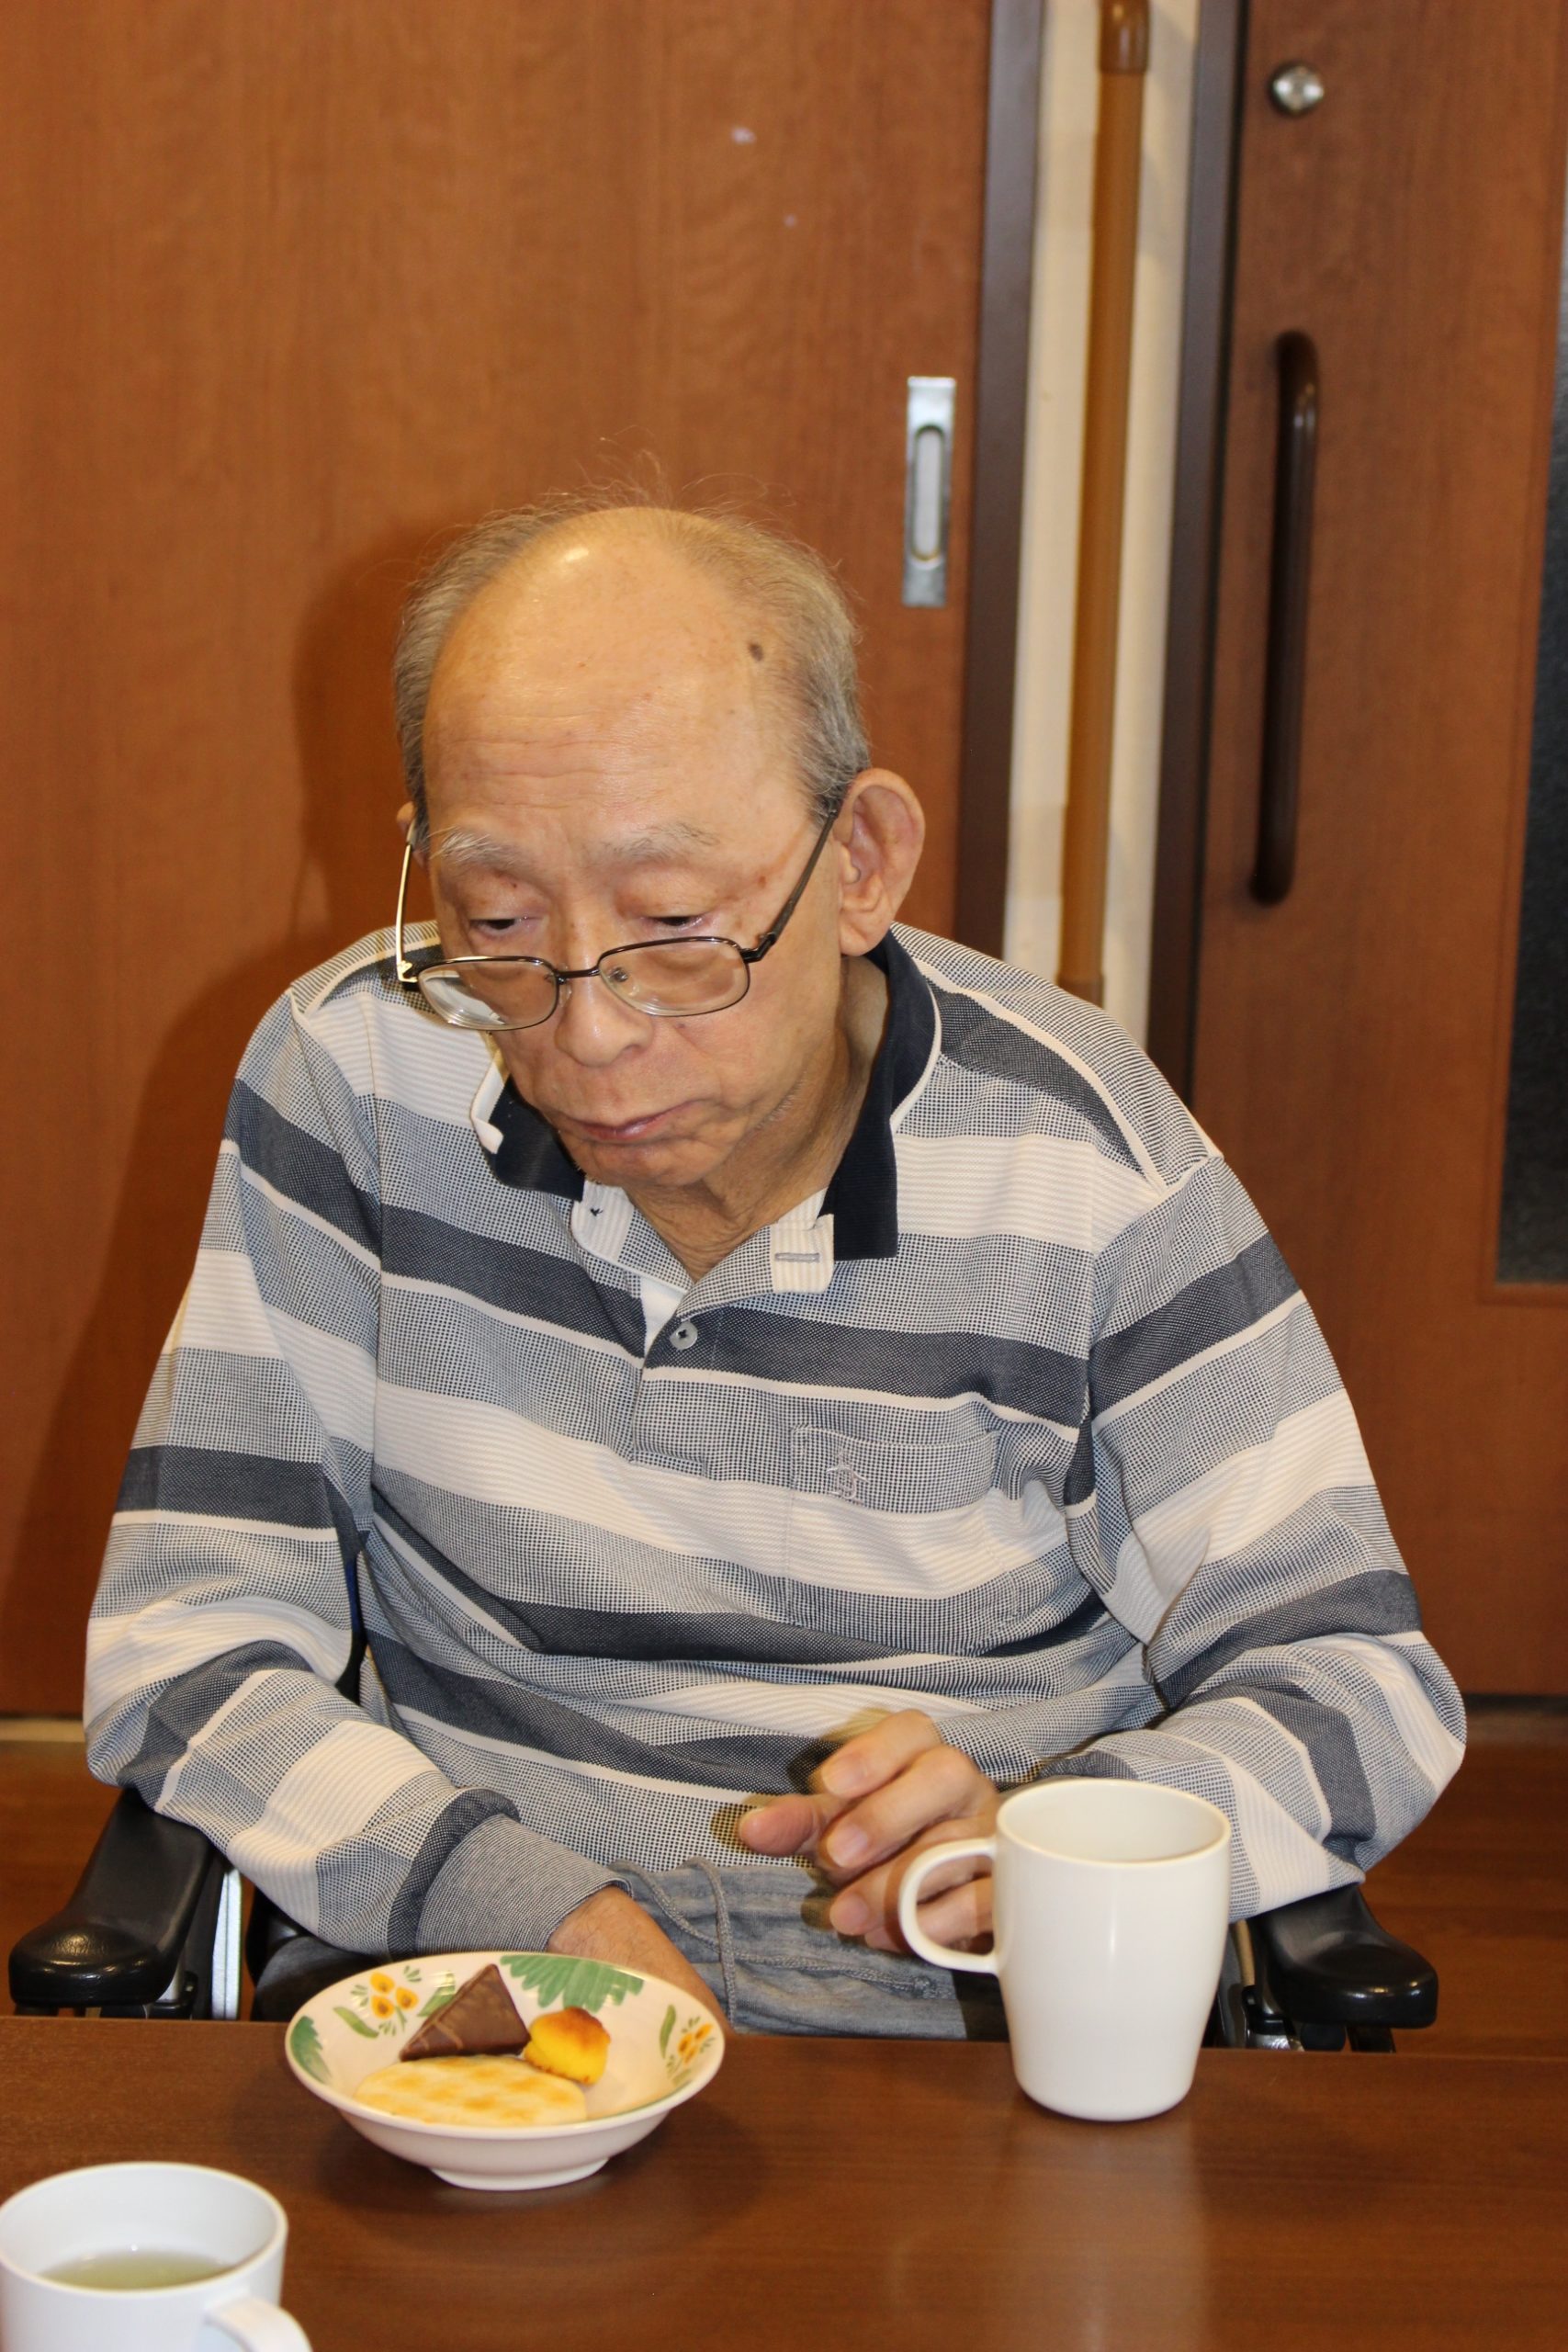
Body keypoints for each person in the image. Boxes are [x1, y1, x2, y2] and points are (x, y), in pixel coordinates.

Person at [85, 497, 1464, 2034]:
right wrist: (531, 1910)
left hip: (958, 2033)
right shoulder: (359, 1076)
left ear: (859, 862)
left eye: (676, 926)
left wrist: (1053, 1844)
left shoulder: (1080, 1164)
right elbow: (192, 1632)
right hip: (490, 2009)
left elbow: (1355, 1682)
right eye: (497, 918)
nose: (586, 1032)